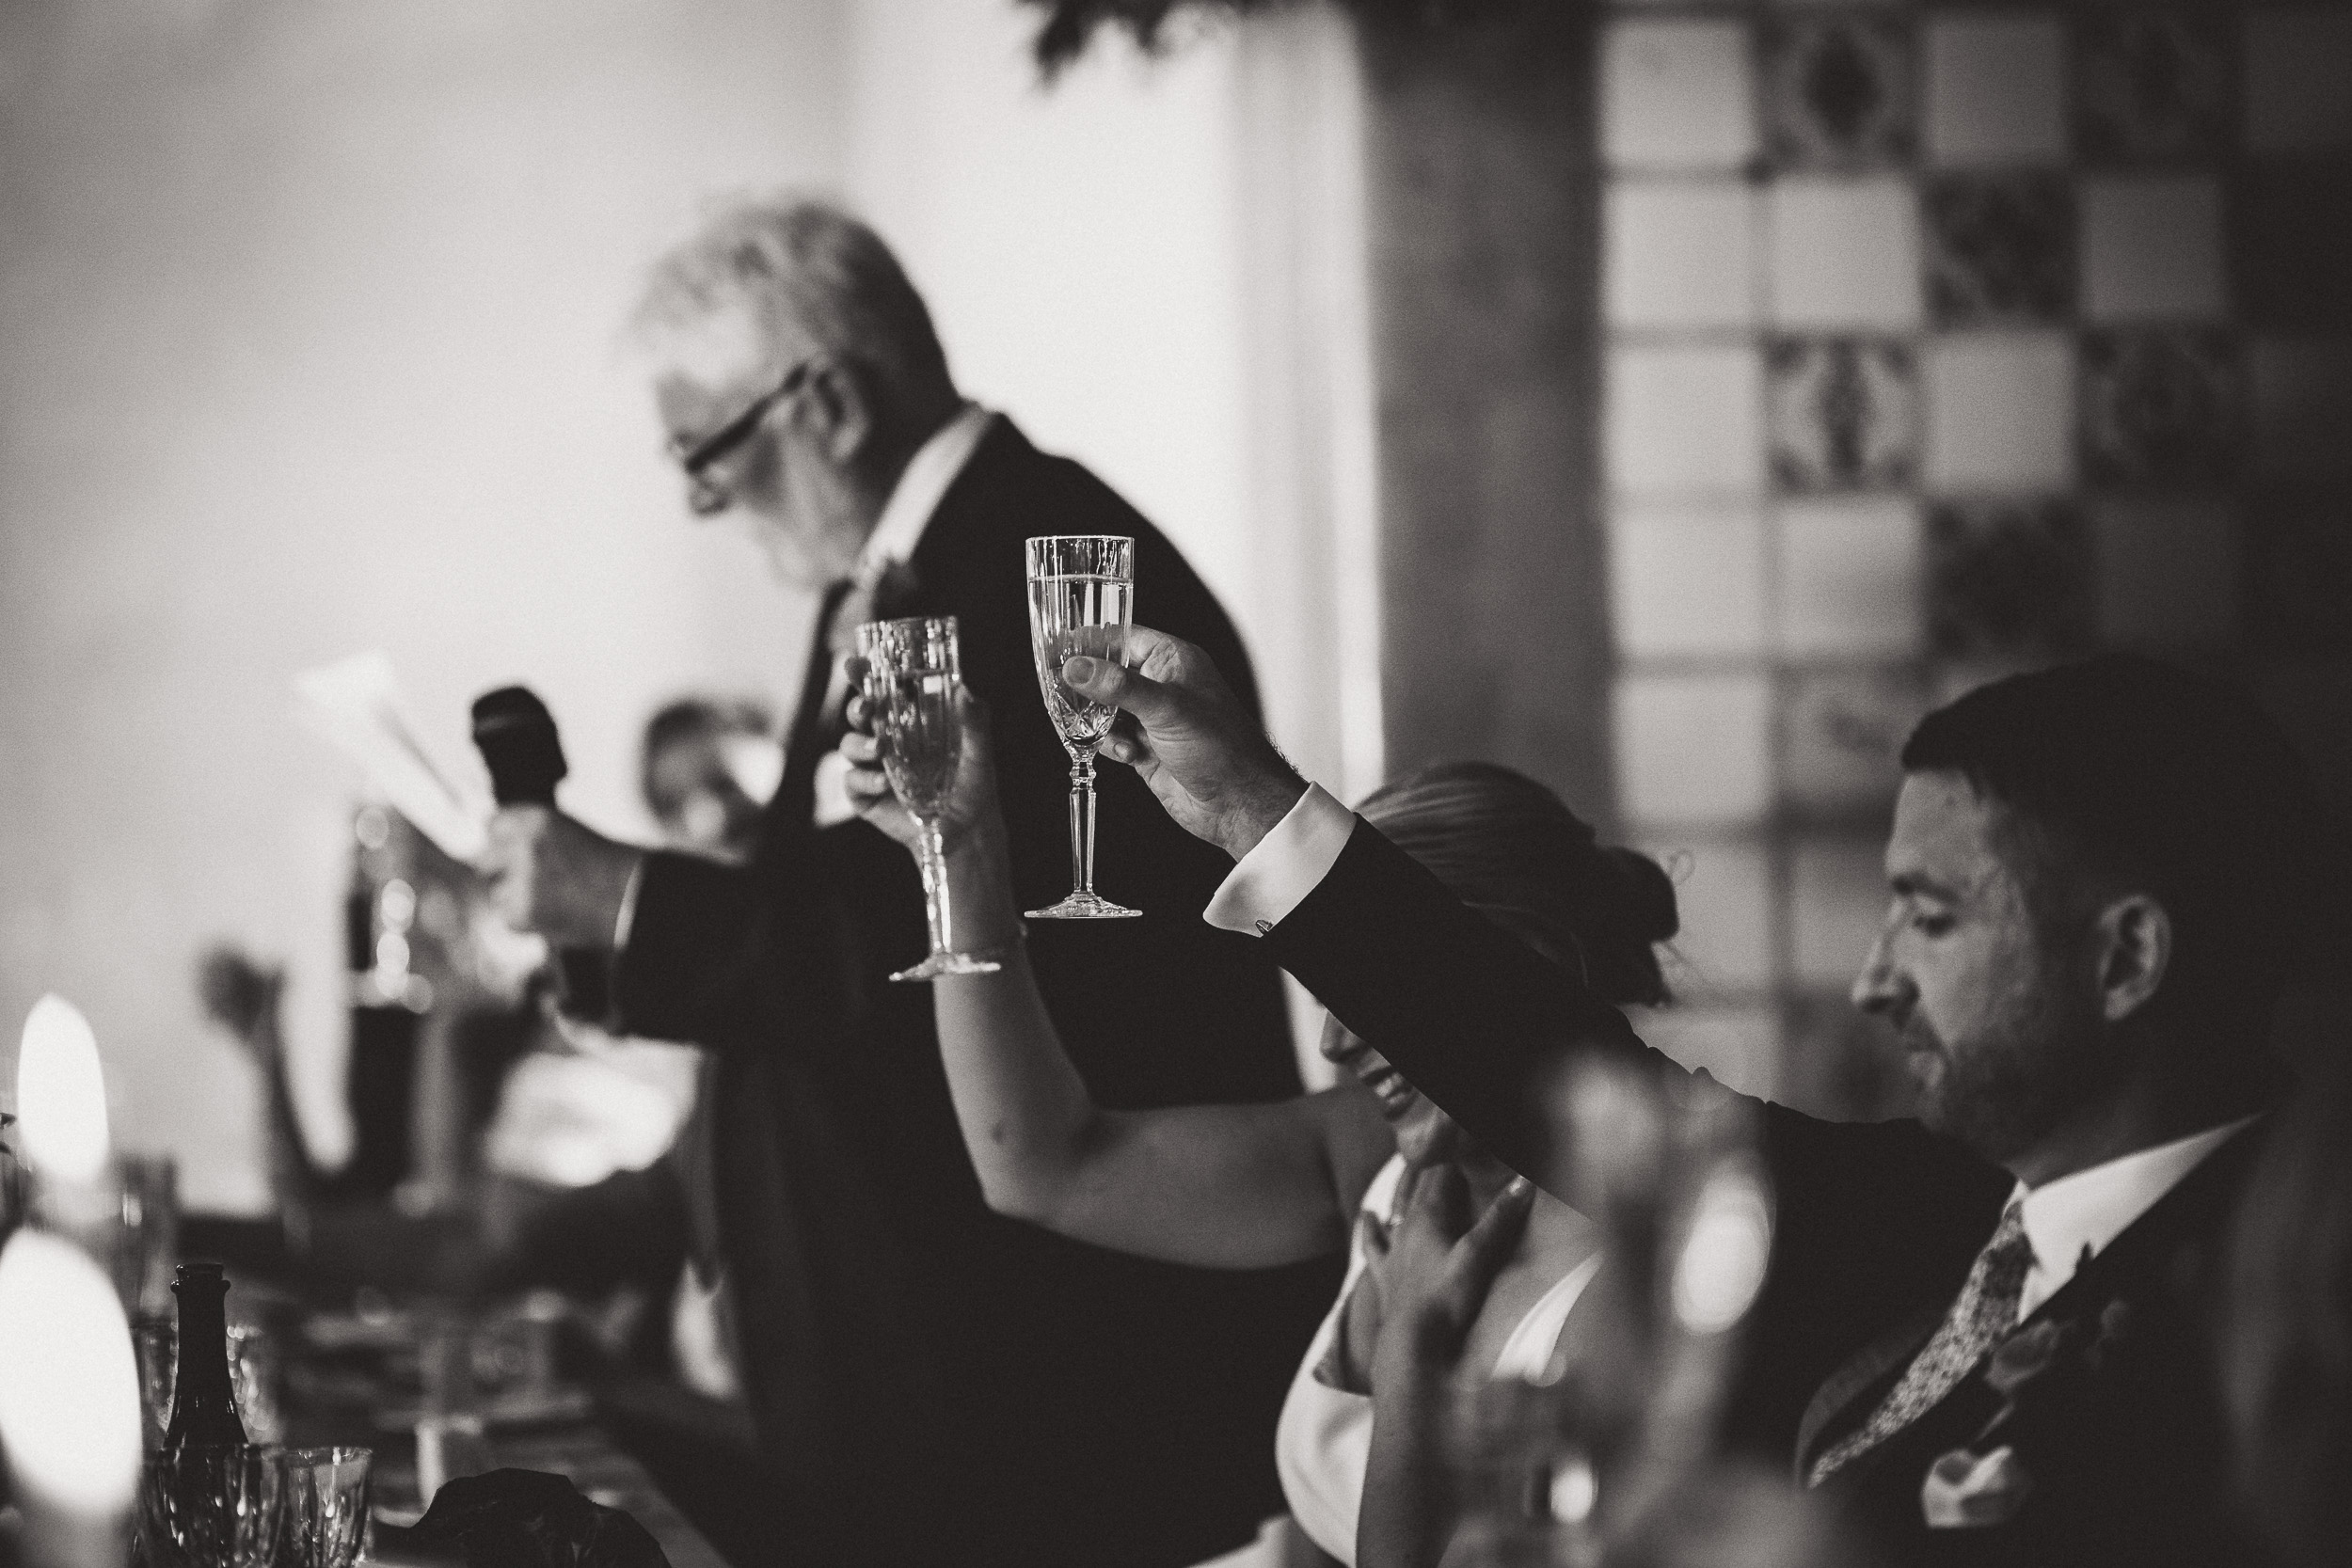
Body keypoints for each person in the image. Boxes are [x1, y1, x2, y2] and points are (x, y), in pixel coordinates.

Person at [1043, 626, 2325, 1568]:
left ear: (2126, 958)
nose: (1874, 981)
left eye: (1932, 918)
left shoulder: (2285, 1304)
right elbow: (1550, 1075)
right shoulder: (1937, 1200)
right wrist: (1241, 805)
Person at [483, 199, 1330, 1568]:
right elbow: (845, 901)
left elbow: (913, 948)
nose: (706, 502)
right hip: (931, 1367)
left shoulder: (1043, 567)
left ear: (821, 402)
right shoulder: (891, 576)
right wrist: (599, 923)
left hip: (1054, 1383)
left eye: (708, 454)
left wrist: (630, 894)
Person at [844, 698, 1679, 1562]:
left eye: (1371, 994)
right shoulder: (1383, 1158)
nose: (1333, 1040)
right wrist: (963, 850)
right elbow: (1042, 1165)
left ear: (1522, 963)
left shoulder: (1638, 1271)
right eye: (1325, 995)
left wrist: (1407, 1365)